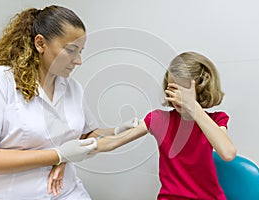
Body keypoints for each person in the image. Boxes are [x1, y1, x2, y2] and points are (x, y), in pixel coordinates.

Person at [0, 5, 137, 200]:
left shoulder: (72, 88)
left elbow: (85, 134)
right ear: (40, 44)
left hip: (68, 192)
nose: (78, 61)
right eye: (71, 50)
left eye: (80, 51)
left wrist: (116, 131)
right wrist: (57, 155)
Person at [96, 51, 237, 199]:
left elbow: (227, 153)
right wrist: (85, 146)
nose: (177, 97)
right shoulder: (159, 120)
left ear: (201, 88)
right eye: (172, 89)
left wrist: (193, 107)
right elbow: (113, 142)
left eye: (182, 91)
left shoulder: (216, 120)